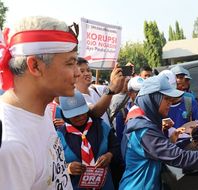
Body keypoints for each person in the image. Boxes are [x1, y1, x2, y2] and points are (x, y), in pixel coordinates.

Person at [0, 16, 79, 189]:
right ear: (35, 66)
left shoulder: (38, 111)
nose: (78, 72)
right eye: (70, 62)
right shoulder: (11, 144)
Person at [57, 90, 120, 190]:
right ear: (64, 115)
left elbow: (116, 147)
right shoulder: (58, 136)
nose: (81, 117)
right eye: (75, 115)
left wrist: (109, 155)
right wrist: (67, 168)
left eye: (83, 112)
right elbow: (50, 166)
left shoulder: (101, 126)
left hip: (105, 186)